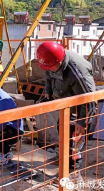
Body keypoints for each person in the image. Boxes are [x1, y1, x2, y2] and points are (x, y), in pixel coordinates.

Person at [37, 41, 97, 169]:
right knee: (62, 128)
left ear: (60, 61)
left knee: (76, 137)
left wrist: (83, 122)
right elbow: (48, 76)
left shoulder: (77, 72)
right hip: (66, 102)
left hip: (81, 107)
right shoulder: (50, 63)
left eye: (52, 67)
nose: (50, 70)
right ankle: (63, 157)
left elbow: (90, 100)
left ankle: (74, 168)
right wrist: (49, 91)